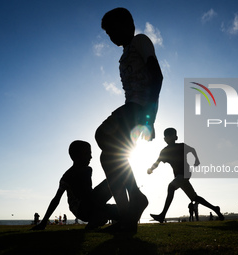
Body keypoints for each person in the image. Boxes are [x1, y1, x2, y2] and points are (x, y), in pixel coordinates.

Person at [95, 7, 163, 233]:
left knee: (102, 135)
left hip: (138, 108)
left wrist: (149, 118)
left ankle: (134, 200)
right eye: (108, 34)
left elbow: (157, 76)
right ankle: (128, 217)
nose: (111, 37)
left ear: (127, 25)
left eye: (113, 30)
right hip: (130, 107)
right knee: (108, 157)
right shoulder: (123, 57)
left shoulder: (140, 41)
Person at [31, 141, 118, 230]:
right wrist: (44, 222)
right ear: (77, 156)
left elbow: (91, 195)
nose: (91, 157)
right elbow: (56, 199)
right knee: (114, 179)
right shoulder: (68, 176)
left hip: (92, 206)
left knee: (118, 210)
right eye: (87, 153)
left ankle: (97, 221)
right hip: (82, 209)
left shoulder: (88, 170)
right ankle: (96, 219)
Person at [147, 128, 224, 223]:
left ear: (176, 137)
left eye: (170, 136)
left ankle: (162, 215)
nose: (167, 138)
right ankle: (215, 209)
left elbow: (192, 150)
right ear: (164, 139)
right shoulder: (164, 151)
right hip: (179, 177)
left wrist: (196, 160)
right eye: (166, 136)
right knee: (194, 197)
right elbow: (157, 162)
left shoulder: (181, 146)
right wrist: (151, 169)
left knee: (171, 187)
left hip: (185, 173)